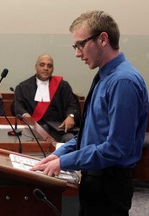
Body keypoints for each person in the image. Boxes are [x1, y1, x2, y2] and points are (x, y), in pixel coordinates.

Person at [31, 11, 148, 216]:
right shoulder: (105, 76)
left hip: (109, 184)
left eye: (80, 44)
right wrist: (59, 153)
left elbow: (116, 148)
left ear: (103, 39)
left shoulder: (122, 81)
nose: (77, 53)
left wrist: (64, 162)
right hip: (95, 179)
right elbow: (91, 134)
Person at [12, 53, 81, 142]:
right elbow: (18, 107)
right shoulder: (23, 87)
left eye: (49, 66)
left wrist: (71, 116)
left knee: (72, 141)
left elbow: (73, 105)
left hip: (59, 131)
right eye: (42, 65)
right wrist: (26, 116)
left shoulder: (63, 86)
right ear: (36, 67)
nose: (46, 68)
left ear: (52, 69)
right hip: (33, 131)